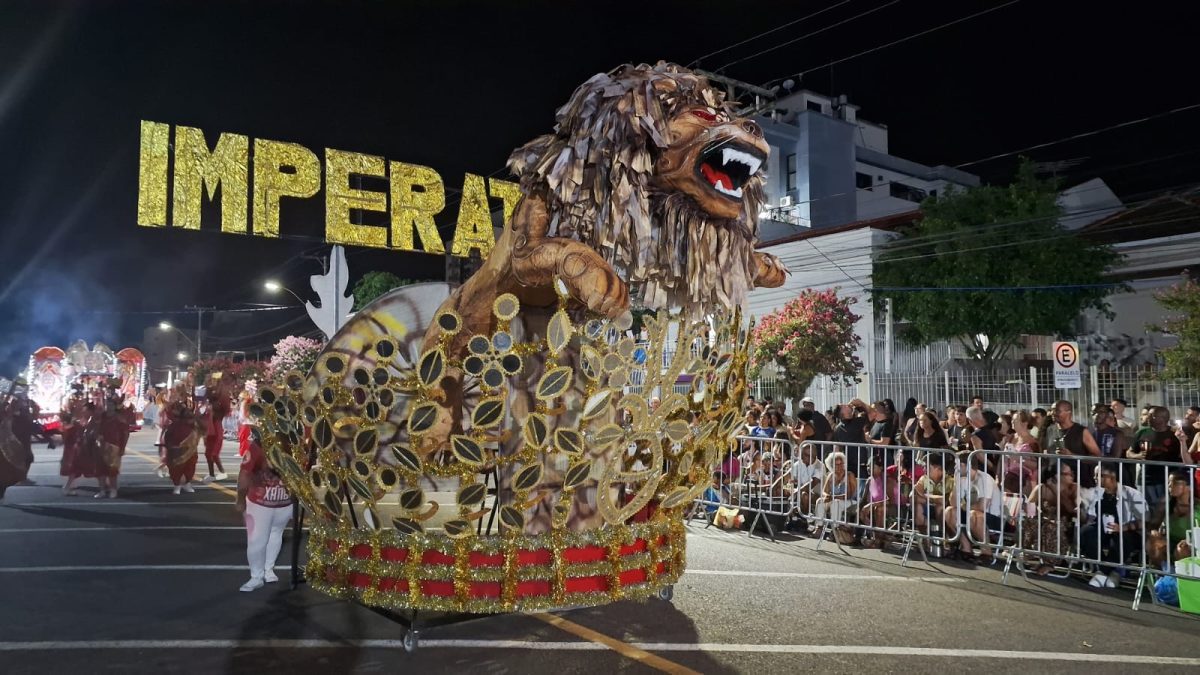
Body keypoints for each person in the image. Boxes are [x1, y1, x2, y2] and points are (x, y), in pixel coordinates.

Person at [235, 427, 294, 591]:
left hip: (284, 502)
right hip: (260, 502)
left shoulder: (296, 445)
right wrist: (240, 498)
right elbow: (245, 473)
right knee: (257, 540)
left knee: (275, 534)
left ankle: (268, 570)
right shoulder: (257, 446)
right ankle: (256, 575)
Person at [1080, 465, 1146, 589]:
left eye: (1099, 475)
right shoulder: (1097, 493)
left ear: (1112, 476)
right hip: (1104, 528)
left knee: (1123, 539)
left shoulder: (1132, 494)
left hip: (1128, 531)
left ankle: (1104, 572)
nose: (1095, 478)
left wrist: (1122, 528)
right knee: (1085, 533)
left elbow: (1144, 521)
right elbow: (1091, 518)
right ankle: (1110, 571)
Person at [1022, 464, 1081, 575]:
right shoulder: (1042, 488)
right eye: (1068, 474)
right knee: (1030, 522)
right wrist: (1037, 512)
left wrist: (1055, 490)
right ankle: (1030, 554)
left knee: (1051, 526)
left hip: (1063, 525)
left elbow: (1072, 509)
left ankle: (1049, 563)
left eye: (1072, 473)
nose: (1072, 476)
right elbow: (1029, 507)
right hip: (1043, 520)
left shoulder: (1074, 488)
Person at [946, 452, 1004, 563]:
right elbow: (953, 503)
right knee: (949, 512)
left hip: (993, 516)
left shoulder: (984, 478)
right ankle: (966, 548)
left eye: (956, 465)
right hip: (972, 513)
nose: (954, 467)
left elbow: (982, 506)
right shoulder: (962, 478)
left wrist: (964, 506)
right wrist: (956, 482)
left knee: (974, 514)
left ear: (963, 465)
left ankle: (986, 553)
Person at [1134, 406, 1186, 507]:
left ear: (1163, 418)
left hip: (1167, 479)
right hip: (1145, 479)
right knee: (1145, 509)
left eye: (1151, 416)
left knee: (1165, 509)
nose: (1147, 418)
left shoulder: (1175, 434)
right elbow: (1129, 453)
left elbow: (1184, 455)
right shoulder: (1141, 433)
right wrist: (1138, 455)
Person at [1044, 400, 1101, 489]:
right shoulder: (1050, 430)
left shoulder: (1081, 431)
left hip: (1077, 482)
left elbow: (1097, 456)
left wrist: (1072, 455)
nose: (1052, 413)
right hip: (1055, 481)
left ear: (1068, 412)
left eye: (1057, 411)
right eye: (1051, 410)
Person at [162, 390, 200, 495]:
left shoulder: (193, 425)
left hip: (190, 450)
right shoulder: (175, 423)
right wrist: (169, 447)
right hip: (176, 449)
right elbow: (168, 436)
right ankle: (177, 485)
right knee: (175, 467)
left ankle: (187, 483)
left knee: (190, 466)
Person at [815, 451, 858, 544]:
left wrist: (832, 497)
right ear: (831, 465)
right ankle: (819, 527)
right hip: (835, 499)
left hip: (850, 501)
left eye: (841, 464)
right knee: (820, 501)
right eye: (836, 464)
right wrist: (826, 496)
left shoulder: (849, 475)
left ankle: (834, 530)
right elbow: (824, 491)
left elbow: (850, 494)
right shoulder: (831, 475)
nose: (839, 466)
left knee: (835, 503)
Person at [913, 453, 954, 540]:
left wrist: (924, 496)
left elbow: (945, 501)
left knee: (940, 508)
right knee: (917, 506)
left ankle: (946, 540)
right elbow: (913, 496)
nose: (924, 469)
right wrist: (936, 499)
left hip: (946, 512)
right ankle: (926, 540)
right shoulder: (924, 478)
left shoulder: (951, 481)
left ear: (937, 468)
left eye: (927, 467)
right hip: (928, 508)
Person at [200, 385, 232, 482]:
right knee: (208, 454)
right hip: (209, 433)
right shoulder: (207, 406)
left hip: (217, 432)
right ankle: (212, 474)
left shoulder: (218, 408)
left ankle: (222, 472)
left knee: (214, 454)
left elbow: (221, 411)